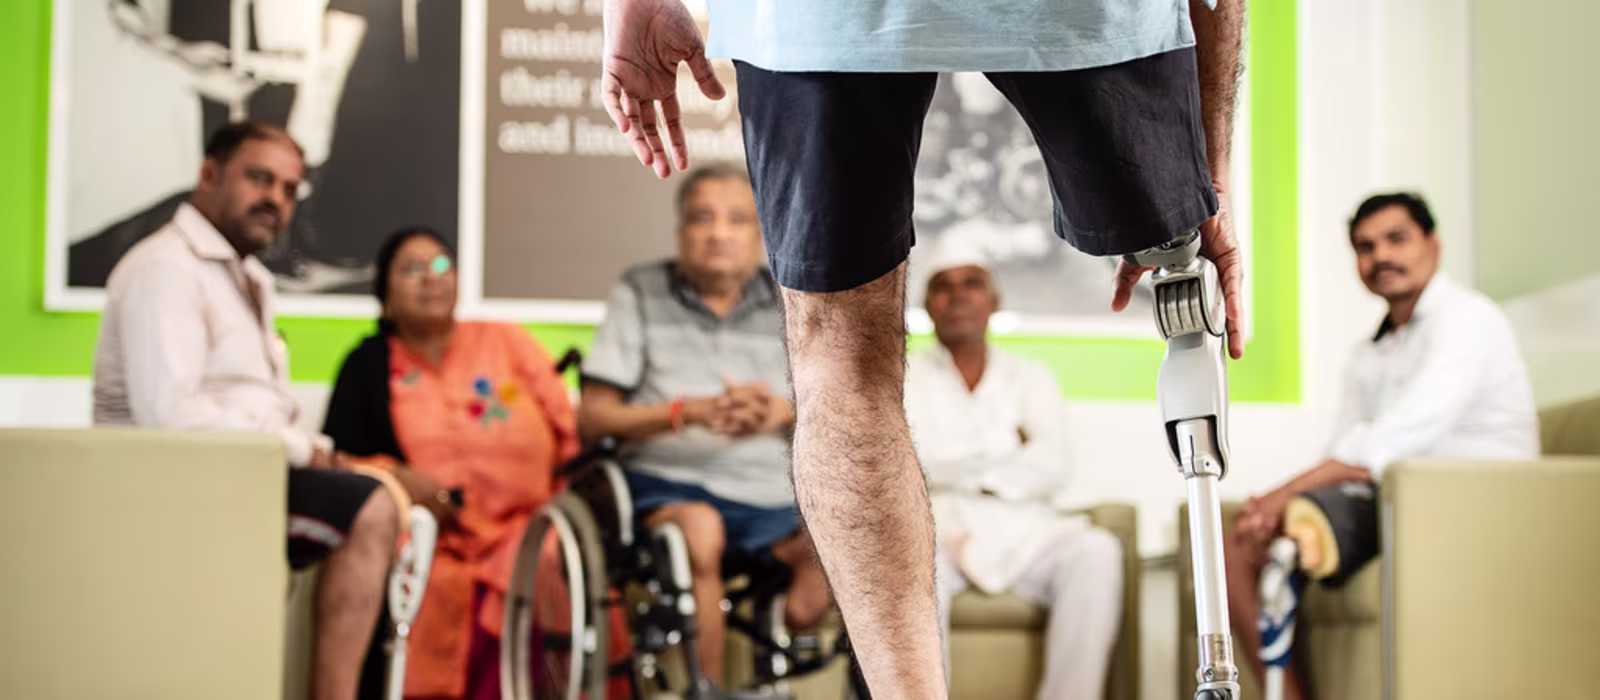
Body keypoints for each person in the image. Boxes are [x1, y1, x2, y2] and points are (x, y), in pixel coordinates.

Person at [599, 0, 1247, 694]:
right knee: (1172, 261)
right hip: (1042, 18)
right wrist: (1208, 171)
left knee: (841, 364)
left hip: (831, 25)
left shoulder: (1024, 377)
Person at [91, 121, 400, 700]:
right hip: (168, 489)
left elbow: (252, 405)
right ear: (209, 174)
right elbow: (171, 416)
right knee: (371, 507)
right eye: (260, 179)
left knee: (375, 488)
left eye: (289, 189)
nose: (276, 201)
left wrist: (309, 452)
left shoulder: (250, 277)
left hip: (235, 479)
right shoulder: (166, 268)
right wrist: (305, 449)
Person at [1224, 193, 1540, 699]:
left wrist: (1279, 497)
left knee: (1273, 521)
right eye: (1365, 247)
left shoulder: (1469, 320)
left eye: (1397, 239)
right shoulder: (1371, 351)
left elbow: (1390, 440)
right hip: (1397, 498)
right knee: (1241, 540)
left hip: (1477, 501)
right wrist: (1271, 505)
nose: (1380, 257)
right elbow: (1346, 447)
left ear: (1432, 244)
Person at [578, 165, 832, 684]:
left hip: (770, 494)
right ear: (681, 233)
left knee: (840, 537)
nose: (719, 233)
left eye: (737, 220)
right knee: (701, 528)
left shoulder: (792, 299)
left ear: (760, 234)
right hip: (666, 483)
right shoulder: (642, 290)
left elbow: (833, 410)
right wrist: (682, 413)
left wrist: (785, 412)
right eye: (702, 218)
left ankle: (773, 657)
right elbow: (592, 418)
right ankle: (707, 691)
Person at [321, 227, 592, 699]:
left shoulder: (504, 340)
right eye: (411, 269)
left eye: (441, 265)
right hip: (433, 539)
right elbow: (342, 459)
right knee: (428, 585)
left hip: (522, 532)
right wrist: (399, 478)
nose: (431, 278)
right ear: (384, 297)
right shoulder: (368, 366)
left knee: (545, 562)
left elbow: (566, 430)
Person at [905, 253, 1124, 700]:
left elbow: (1054, 465)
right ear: (928, 306)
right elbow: (911, 465)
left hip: (1024, 530)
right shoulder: (905, 378)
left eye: (972, 283)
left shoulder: (1031, 377)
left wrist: (962, 470)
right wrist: (1008, 449)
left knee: (1096, 550)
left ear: (994, 302)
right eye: (943, 287)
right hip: (941, 530)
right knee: (912, 564)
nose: (958, 296)